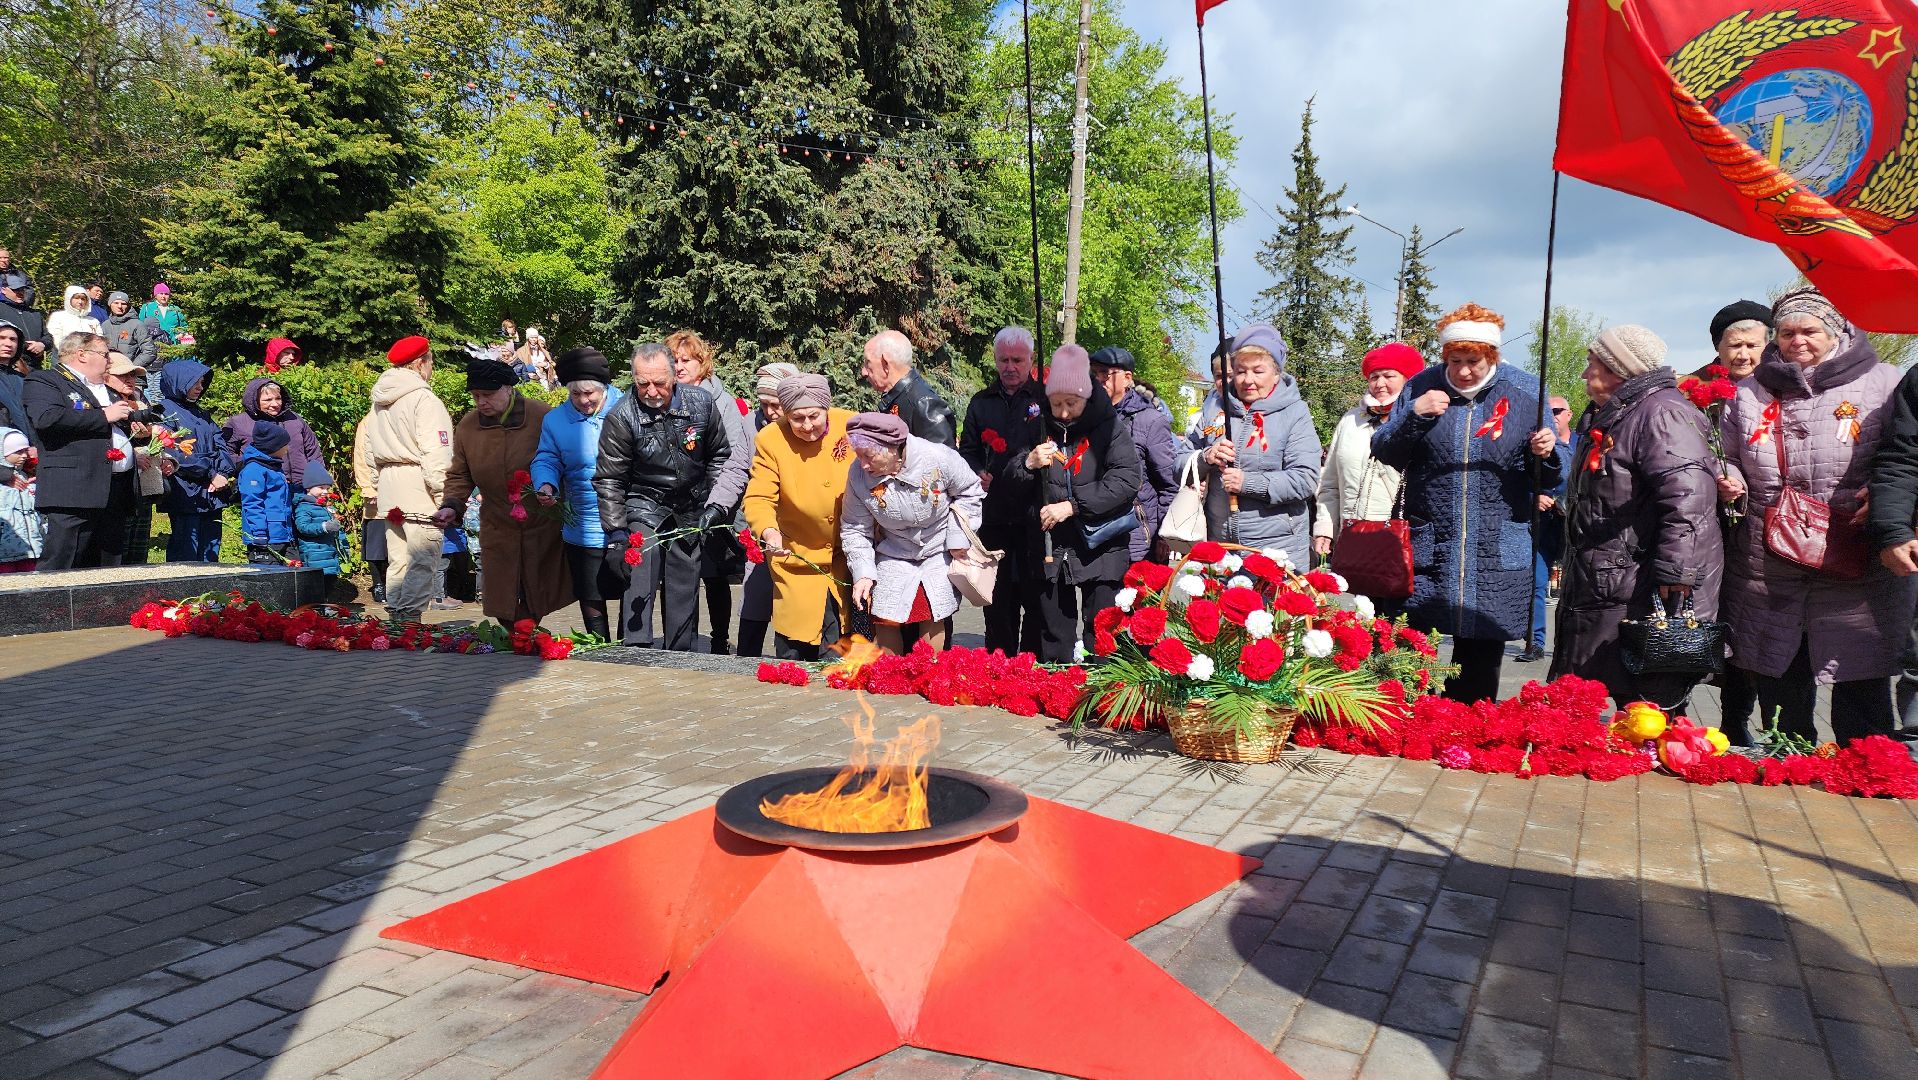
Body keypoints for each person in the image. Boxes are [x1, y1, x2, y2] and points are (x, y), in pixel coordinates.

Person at [1719, 288, 1913, 743]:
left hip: (1856, 545)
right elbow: (1725, 453)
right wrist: (1728, 476)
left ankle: (1866, 758)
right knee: (1780, 656)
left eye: (1810, 331)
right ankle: (1791, 752)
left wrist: (1883, 492)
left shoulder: (1884, 382)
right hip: (1770, 550)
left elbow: (1904, 453)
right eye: (1787, 333)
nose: (1797, 341)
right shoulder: (1749, 392)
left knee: (1859, 657)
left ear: (1837, 331)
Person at [1372, 303, 1563, 704]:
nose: (1462, 371)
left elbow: (1552, 478)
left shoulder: (1527, 392)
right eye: (1454, 360)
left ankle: (1466, 733)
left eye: (1473, 361)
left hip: (1494, 544)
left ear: (1491, 356)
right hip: (1431, 541)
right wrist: (1414, 418)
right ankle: (1406, 720)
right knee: (1411, 639)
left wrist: (1546, 453)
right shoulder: (1420, 387)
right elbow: (1385, 451)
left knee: (1480, 649)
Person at [1547, 327, 1722, 709]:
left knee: (1644, 705)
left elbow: (1688, 501)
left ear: (1617, 368)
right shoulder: (1619, 413)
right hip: (1607, 576)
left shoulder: (1662, 414)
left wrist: (1678, 574)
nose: (1584, 375)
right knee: (1593, 693)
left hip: (1639, 583)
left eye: (1591, 365)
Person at [594, 342, 739, 650]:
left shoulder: (701, 402)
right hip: (644, 502)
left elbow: (719, 455)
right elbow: (610, 479)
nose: (651, 390)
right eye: (642, 383)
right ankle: (636, 648)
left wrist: (715, 504)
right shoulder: (621, 417)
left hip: (690, 504)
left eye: (659, 382)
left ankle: (681, 652)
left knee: (685, 579)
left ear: (674, 376)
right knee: (639, 570)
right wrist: (617, 535)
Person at [1005, 346, 1142, 662]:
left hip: (1101, 543)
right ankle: (1060, 689)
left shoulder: (1108, 426)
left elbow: (1126, 479)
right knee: (1054, 631)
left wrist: (1074, 505)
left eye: (1072, 403)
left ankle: (1101, 695)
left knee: (1103, 632)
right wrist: (1027, 463)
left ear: (1086, 395)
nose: (1063, 412)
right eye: (1056, 404)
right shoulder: (1035, 423)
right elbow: (1008, 476)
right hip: (1052, 546)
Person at [434, 354, 574, 624]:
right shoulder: (468, 426)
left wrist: (553, 491)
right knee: (501, 594)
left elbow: (562, 459)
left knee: (539, 588)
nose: (480, 402)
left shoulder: (541, 415)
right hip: (497, 521)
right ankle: (518, 638)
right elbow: (460, 474)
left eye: (487, 394)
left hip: (541, 521)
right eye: (475, 396)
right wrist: (452, 505)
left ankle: (526, 636)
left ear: (508, 389)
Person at [841, 412, 983, 655]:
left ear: (893, 448)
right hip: (894, 549)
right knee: (884, 612)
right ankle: (891, 678)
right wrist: (863, 573)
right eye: (859, 455)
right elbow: (855, 527)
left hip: (939, 546)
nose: (863, 464)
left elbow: (971, 491)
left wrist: (958, 538)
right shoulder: (858, 474)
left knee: (931, 610)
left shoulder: (937, 458)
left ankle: (929, 674)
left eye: (869, 456)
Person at [1182, 323, 1322, 569]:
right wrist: (1206, 457)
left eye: (1258, 371)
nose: (1247, 380)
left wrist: (1248, 483)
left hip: (1277, 552)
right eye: (1240, 371)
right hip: (1222, 549)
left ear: (1276, 373)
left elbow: (1305, 479)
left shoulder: (1294, 412)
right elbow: (1178, 464)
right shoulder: (1214, 407)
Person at [743, 373, 858, 659]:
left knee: (837, 653)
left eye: (814, 416)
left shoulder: (852, 425)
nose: (807, 426)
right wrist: (769, 532)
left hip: (844, 560)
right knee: (795, 649)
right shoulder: (771, 438)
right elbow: (759, 497)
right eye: (797, 418)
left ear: (826, 409)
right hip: (796, 558)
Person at [1698, 301, 1773, 738]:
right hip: (1708, 529)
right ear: (1718, 349)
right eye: (1733, 345)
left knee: (1751, 630)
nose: (1743, 354)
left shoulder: (1781, 391)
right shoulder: (1696, 391)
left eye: (1752, 344)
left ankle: (1738, 721)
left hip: (1763, 530)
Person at [356, 335, 455, 624]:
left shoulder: (379, 403)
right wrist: (444, 497)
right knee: (423, 556)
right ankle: (409, 618)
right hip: (418, 486)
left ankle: (397, 615)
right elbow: (436, 453)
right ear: (421, 363)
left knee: (398, 557)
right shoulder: (424, 400)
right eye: (431, 362)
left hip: (389, 487)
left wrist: (377, 483)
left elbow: (369, 449)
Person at [960, 326, 1047, 655]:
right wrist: (975, 471)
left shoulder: (1044, 400)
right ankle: (998, 667)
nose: (1010, 367)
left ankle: (1032, 667)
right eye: (1003, 360)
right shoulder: (981, 403)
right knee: (997, 603)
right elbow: (966, 450)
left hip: (1034, 517)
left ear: (1031, 360)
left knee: (1036, 602)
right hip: (994, 517)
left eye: (1017, 360)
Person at [667, 329, 753, 653]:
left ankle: (718, 641)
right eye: (674, 360)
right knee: (681, 574)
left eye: (685, 360)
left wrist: (715, 501)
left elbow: (735, 454)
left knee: (713, 575)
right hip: (678, 501)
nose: (679, 366)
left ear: (702, 363)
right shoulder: (666, 398)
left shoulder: (721, 401)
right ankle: (681, 639)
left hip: (714, 500)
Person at [21, 333, 138, 569]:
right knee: (64, 564)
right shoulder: (45, 380)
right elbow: (46, 418)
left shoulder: (104, 388)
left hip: (114, 489)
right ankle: (50, 607)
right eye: (105, 354)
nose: (110, 361)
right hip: (74, 489)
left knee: (108, 570)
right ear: (82, 354)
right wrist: (104, 415)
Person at [532, 348, 625, 641]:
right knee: (589, 590)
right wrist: (546, 484)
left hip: (625, 517)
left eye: (590, 394)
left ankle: (631, 646)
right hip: (582, 521)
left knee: (631, 586)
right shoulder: (556, 421)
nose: (584, 401)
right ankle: (600, 647)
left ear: (604, 387)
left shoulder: (626, 409)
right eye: (576, 395)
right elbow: (547, 457)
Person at [1313, 341, 1422, 576]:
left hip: (1400, 545)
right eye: (1374, 377)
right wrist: (1325, 527)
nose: (1380, 384)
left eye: (1389, 376)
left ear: (1407, 379)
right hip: (1354, 543)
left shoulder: (1418, 421)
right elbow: (1330, 483)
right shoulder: (1351, 421)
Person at [734, 360, 803, 656]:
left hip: (800, 532)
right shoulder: (751, 425)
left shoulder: (805, 425)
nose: (770, 412)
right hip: (763, 527)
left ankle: (791, 660)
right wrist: (716, 506)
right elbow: (735, 469)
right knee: (755, 595)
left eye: (776, 404)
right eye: (764, 404)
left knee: (794, 606)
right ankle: (745, 660)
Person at [1091, 345, 1178, 565]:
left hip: (1138, 540)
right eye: (1095, 373)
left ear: (1127, 377)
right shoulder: (1087, 418)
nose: (1099, 379)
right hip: (1095, 535)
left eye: (1106, 373)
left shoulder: (1150, 421)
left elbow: (1169, 484)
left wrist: (1164, 536)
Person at [155, 359, 231, 562]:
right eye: (195, 382)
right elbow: (174, 451)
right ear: (180, 382)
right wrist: (210, 472)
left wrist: (222, 472)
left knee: (210, 550)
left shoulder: (201, 413)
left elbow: (221, 444)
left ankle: (210, 592)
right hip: (185, 491)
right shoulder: (163, 412)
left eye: (202, 382)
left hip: (212, 492)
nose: (200, 387)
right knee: (186, 551)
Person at [1523, 394, 1576, 663]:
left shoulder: (1585, 442)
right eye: (1547, 411)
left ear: (1569, 414)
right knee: (1537, 583)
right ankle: (1535, 643)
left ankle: (1570, 645)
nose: (1552, 415)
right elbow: (1514, 481)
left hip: (1576, 527)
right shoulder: (1531, 445)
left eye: (1557, 410)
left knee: (1576, 588)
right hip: (1543, 525)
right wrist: (1534, 497)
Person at [104, 352, 167, 564]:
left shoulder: (139, 402)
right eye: (123, 376)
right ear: (106, 376)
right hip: (120, 484)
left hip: (145, 483)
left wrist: (165, 457)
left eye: (132, 375)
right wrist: (133, 457)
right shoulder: (104, 403)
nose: (130, 380)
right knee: (119, 545)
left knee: (139, 547)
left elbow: (153, 434)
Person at [223, 372, 323, 488]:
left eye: (278, 398)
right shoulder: (239, 422)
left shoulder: (294, 419)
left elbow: (313, 451)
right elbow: (226, 454)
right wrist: (251, 466)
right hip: (263, 489)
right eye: (268, 400)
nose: (275, 404)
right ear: (255, 401)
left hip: (302, 488)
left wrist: (318, 481)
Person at [862, 329, 955, 446]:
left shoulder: (924, 404)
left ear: (886, 363)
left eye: (868, 363)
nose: (864, 372)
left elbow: (944, 461)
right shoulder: (898, 398)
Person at [239, 420, 295, 562]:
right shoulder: (253, 470)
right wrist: (259, 533)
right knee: (266, 580)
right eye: (284, 445)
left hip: (282, 534)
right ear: (272, 446)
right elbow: (252, 503)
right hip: (264, 538)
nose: (287, 449)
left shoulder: (274, 467)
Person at [1690, 300, 1771, 382]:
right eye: (1735, 345)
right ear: (1718, 347)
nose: (1743, 356)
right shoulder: (1687, 390)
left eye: (1751, 346)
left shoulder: (1781, 387)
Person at [352, 416, 387, 603]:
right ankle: (378, 584)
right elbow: (361, 457)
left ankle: (393, 584)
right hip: (376, 490)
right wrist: (368, 488)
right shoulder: (369, 421)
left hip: (402, 491)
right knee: (376, 544)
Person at [0, 426, 43, 571]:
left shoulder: (28, 476)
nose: (24, 456)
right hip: (4, 554)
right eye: (18, 452)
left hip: (32, 550)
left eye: (25, 451)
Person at [291, 460, 344, 578]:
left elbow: (337, 529)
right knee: (316, 585)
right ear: (309, 488)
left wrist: (343, 546)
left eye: (327, 488)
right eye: (321, 487)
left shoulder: (326, 506)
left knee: (330, 582)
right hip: (314, 555)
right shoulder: (303, 507)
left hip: (329, 554)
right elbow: (303, 527)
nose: (325, 492)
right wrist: (323, 527)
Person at [100, 292, 157, 374]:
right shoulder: (105, 325)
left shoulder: (137, 324)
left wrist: (131, 368)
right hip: (109, 375)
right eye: (116, 303)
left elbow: (150, 351)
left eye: (123, 303)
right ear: (110, 304)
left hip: (132, 377)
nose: (119, 306)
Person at [0, 321, 32, 438]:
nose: (8, 344)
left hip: (30, 448)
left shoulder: (24, 379)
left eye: (13, 339)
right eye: (2, 338)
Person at [46, 286, 102, 351]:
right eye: (76, 298)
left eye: (83, 299)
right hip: (64, 356)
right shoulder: (58, 316)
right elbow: (55, 339)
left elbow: (99, 340)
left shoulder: (93, 320)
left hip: (89, 357)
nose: (80, 301)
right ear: (69, 298)